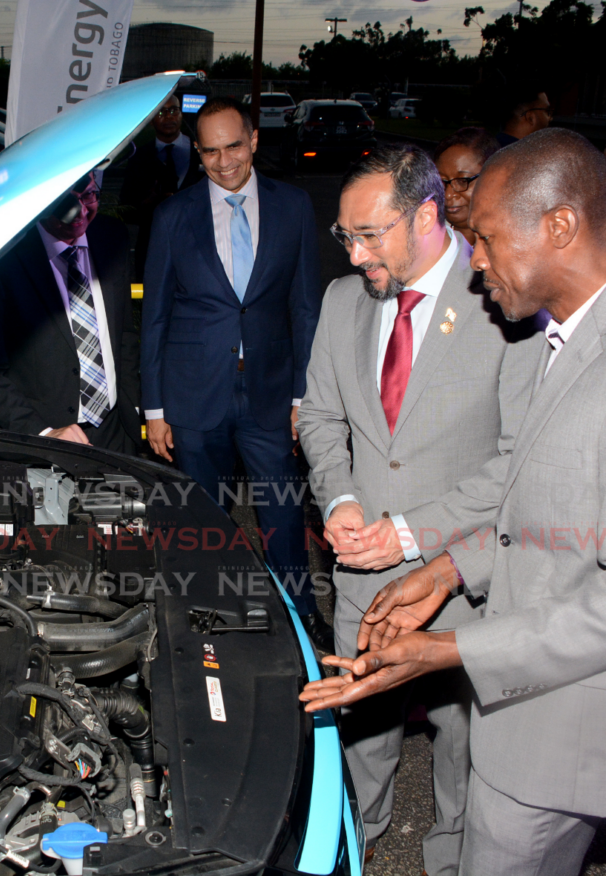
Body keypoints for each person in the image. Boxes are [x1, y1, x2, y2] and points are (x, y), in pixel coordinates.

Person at [300, 128, 606, 876]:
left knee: (464, 752)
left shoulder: (514, 315)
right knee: (361, 729)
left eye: (371, 234)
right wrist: (347, 507)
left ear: (426, 216)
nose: (354, 253)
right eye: (346, 234)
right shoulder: (346, 302)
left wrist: (427, 556)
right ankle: (352, 844)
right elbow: (320, 418)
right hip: (397, 578)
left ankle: (447, 855)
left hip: (512, 640)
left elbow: (520, 472)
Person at [140, 96, 328, 647]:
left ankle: (299, 615)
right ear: (197, 153)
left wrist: (304, 395)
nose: (224, 162)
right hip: (194, 393)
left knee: (284, 515)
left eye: (234, 147)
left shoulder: (291, 206)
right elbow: (154, 317)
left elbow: (305, 308)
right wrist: (155, 409)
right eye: (211, 151)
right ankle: (209, 616)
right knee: (205, 521)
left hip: (271, 391)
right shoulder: (173, 216)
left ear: (254, 141)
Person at [0, 172, 142, 454]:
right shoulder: (0, 261)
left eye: (89, 195)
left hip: (115, 433)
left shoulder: (112, 237)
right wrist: (44, 433)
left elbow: (123, 333)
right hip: (44, 439)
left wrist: (130, 403)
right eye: (67, 201)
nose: (81, 211)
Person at [120, 94, 204, 280]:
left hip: (195, 250)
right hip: (152, 251)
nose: (169, 116)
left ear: (181, 114)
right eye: (161, 112)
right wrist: (146, 203)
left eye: (174, 110)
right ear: (151, 120)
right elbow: (124, 208)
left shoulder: (202, 153)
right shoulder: (139, 158)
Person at [434, 127, 499, 246]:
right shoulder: (425, 236)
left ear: (493, 178)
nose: (448, 194)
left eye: (463, 181)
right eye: (442, 182)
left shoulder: (512, 246)